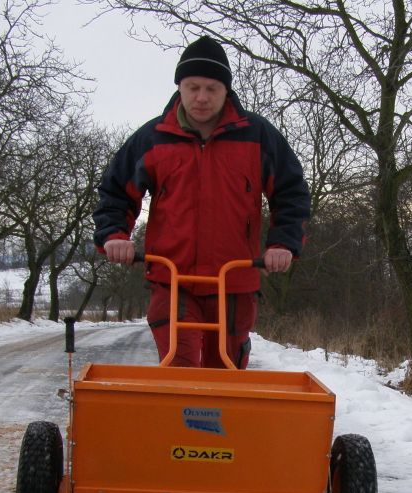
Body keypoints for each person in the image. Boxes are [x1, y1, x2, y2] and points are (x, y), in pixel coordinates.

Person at [93, 36, 311, 369]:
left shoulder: (257, 135)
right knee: (179, 367)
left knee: (224, 373)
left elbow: (291, 191)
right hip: (172, 278)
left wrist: (282, 244)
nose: (202, 97)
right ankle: (178, 405)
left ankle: (223, 404)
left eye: (212, 88)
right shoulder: (154, 137)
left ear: (226, 90)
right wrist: (114, 235)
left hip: (234, 279)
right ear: (179, 87)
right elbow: (115, 191)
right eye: (193, 87)